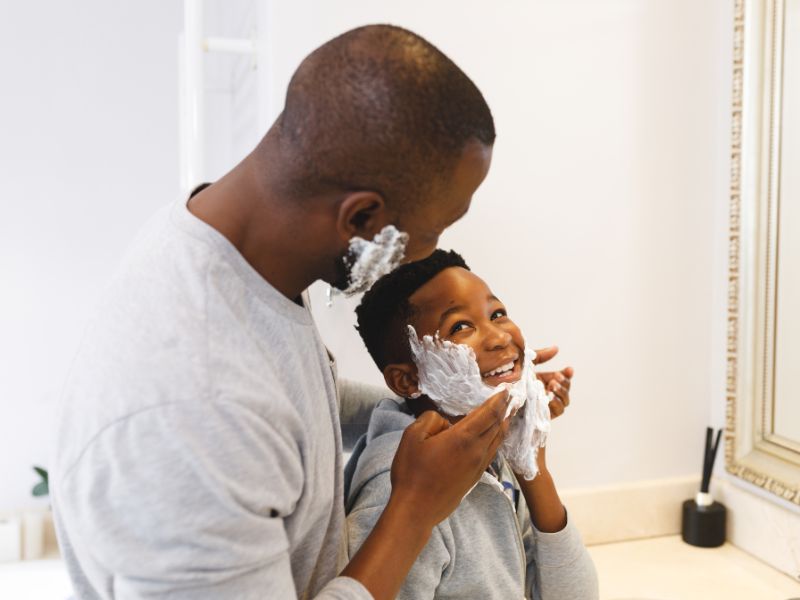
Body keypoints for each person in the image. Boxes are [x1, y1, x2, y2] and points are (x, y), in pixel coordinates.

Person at [51, 25, 570, 600]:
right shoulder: (188, 418)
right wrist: (415, 506)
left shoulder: (247, 260)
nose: (431, 251)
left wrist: (475, 409)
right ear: (362, 220)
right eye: (430, 232)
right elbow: (247, 416)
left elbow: (301, 404)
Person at [347, 249, 597, 599]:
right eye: (461, 326)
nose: (499, 337)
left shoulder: (489, 448)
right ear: (407, 381)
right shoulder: (393, 495)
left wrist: (532, 464)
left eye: (498, 313)